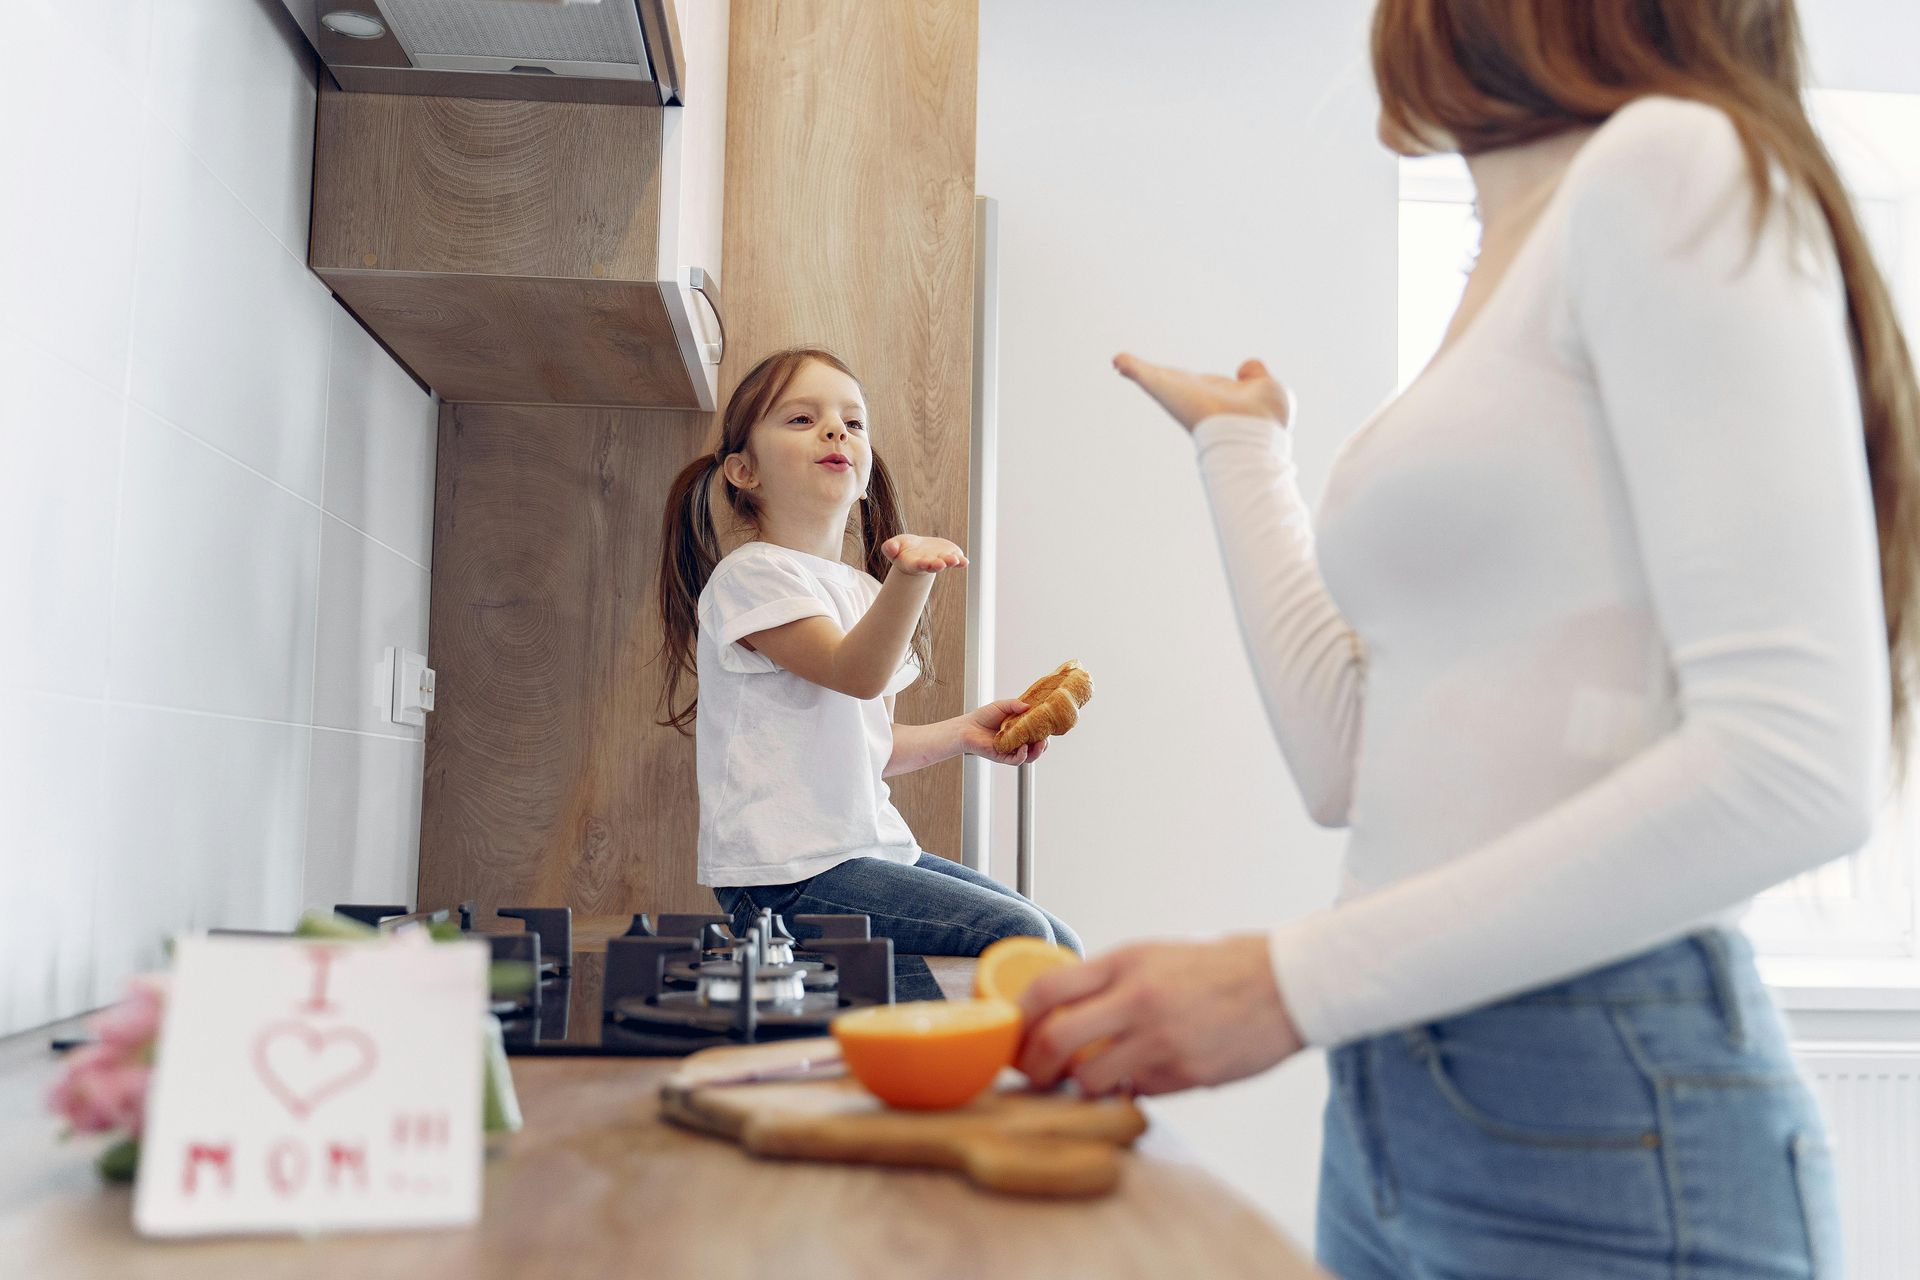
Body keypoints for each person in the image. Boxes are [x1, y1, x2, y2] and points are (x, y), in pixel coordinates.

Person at [1018, 2, 1919, 1275]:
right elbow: (1350, 765)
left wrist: (1280, 984)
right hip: (1402, 1093)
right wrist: (1241, 449)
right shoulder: (1529, 236)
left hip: (1598, 1097)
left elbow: (1798, 765)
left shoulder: (1672, 163)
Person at [655, 346, 1083, 957]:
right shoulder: (751, 576)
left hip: (866, 851)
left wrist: (968, 732)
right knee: (1020, 938)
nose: (835, 430)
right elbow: (854, 673)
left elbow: (871, 746)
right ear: (743, 471)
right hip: (787, 881)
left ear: (862, 471)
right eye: (801, 419)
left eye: (852, 423)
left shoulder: (861, 590)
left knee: (1057, 944)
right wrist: (911, 576)